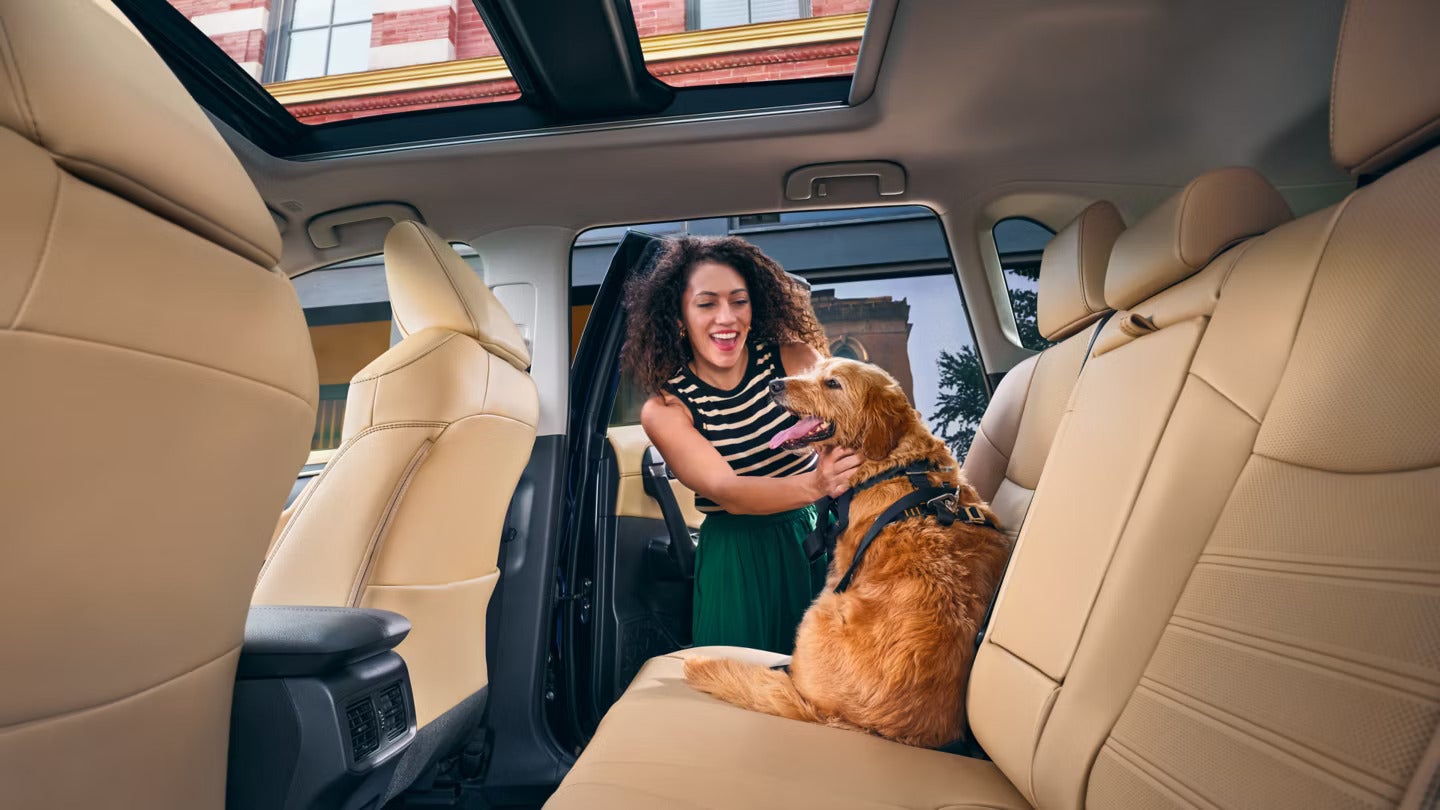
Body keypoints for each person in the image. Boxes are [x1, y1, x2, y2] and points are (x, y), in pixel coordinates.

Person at [621, 235, 861, 655]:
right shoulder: (666, 408)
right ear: (678, 316)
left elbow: (852, 431)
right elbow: (729, 492)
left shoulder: (796, 361)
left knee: (823, 682)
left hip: (810, 536)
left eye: (739, 300)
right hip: (733, 557)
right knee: (738, 688)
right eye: (707, 303)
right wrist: (816, 484)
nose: (726, 317)